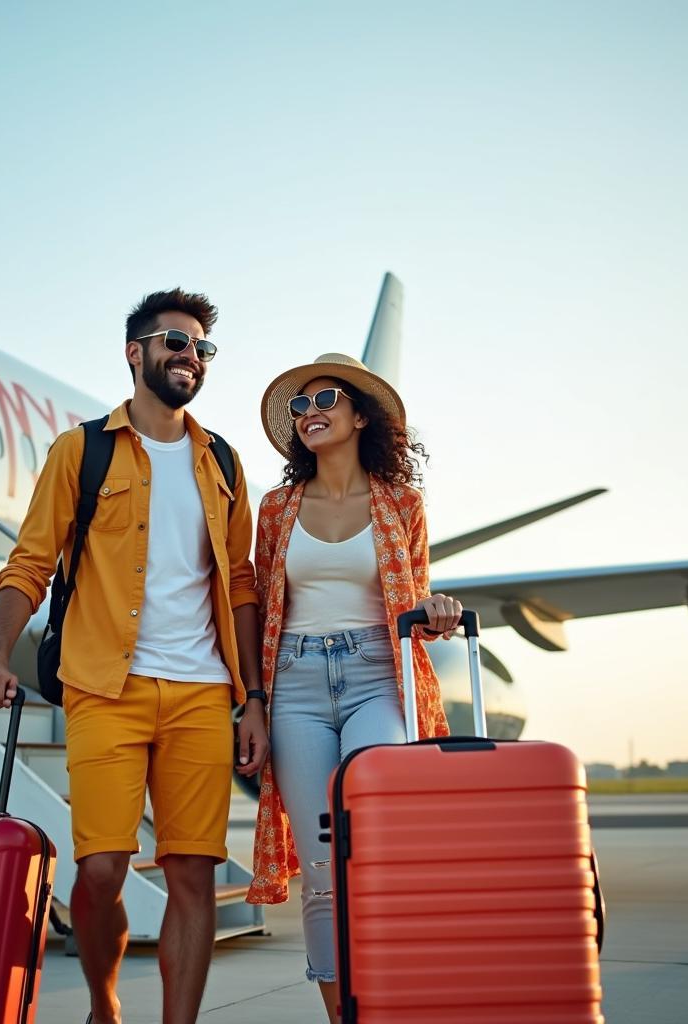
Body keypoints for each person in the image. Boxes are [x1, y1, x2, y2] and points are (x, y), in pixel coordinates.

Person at [0, 289, 268, 1024]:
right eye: (174, 342)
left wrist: (252, 698)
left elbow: (239, 585)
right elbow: (31, 561)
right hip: (106, 686)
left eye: (200, 347)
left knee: (192, 873)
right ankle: (104, 1006)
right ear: (136, 354)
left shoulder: (221, 461)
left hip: (201, 692)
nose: (189, 357)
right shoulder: (83, 449)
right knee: (100, 870)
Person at [246, 353, 462, 1023]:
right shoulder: (278, 507)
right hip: (297, 687)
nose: (310, 412)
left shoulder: (402, 503)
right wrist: (252, 699)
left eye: (325, 399)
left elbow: (413, 596)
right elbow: (259, 604)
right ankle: (345, 1015)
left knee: (374, 837)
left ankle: (393, 995)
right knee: (320, 863)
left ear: (360, 414)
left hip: (378, 678)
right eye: (300, 407)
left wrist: (437, 612)